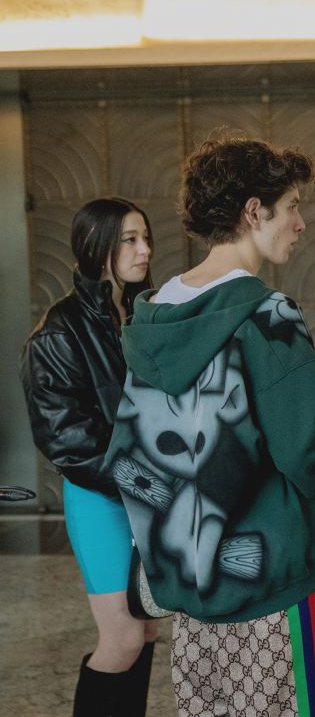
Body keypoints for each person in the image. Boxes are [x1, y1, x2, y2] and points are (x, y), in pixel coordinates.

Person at [100, 137, 315, 716]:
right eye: (290, 205)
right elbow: (306, 453)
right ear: (252, 212)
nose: (300, 222)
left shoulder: (157, 312)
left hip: (193, 598)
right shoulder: (267, 314)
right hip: (272, 591)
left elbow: (131, 453)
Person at [21, 198, 158, 716]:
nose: (144, 249)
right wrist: (141, 481)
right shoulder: (60, 329)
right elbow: (66, 442)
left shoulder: (146, 313)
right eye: (129, 239)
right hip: (103, 498)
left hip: (151, 496)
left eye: (145, 237)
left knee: (145, 630)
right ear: (95, 246)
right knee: (122, 637)